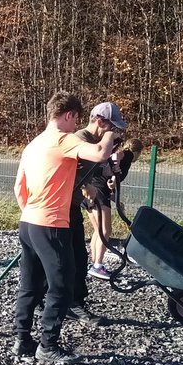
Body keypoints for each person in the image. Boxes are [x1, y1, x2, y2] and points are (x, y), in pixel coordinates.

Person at [12, 91, 119, 364]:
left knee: (30, 284)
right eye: (75, 121)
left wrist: (32, 213)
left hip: (29, 222)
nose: (76, 127)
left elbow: (18, 188)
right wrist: (111, 133)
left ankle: (22, 339)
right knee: (61, 285)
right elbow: (100, 153)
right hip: (52, 224)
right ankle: (47, 345)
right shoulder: (64, 139)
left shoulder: (33, 144)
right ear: (68, 115)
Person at [76, 103, 131, 282]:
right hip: (81, 197)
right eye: (112, 127)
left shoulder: (97, 142)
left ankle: (94, 265)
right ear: (100, 122)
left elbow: (99, 166)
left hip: (83, 198)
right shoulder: (81, 139)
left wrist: (111, 173)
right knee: (104, 230)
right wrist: (85, 186)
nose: (115, 133)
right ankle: (97, 265)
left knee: (97, 232)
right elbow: (72, 169)